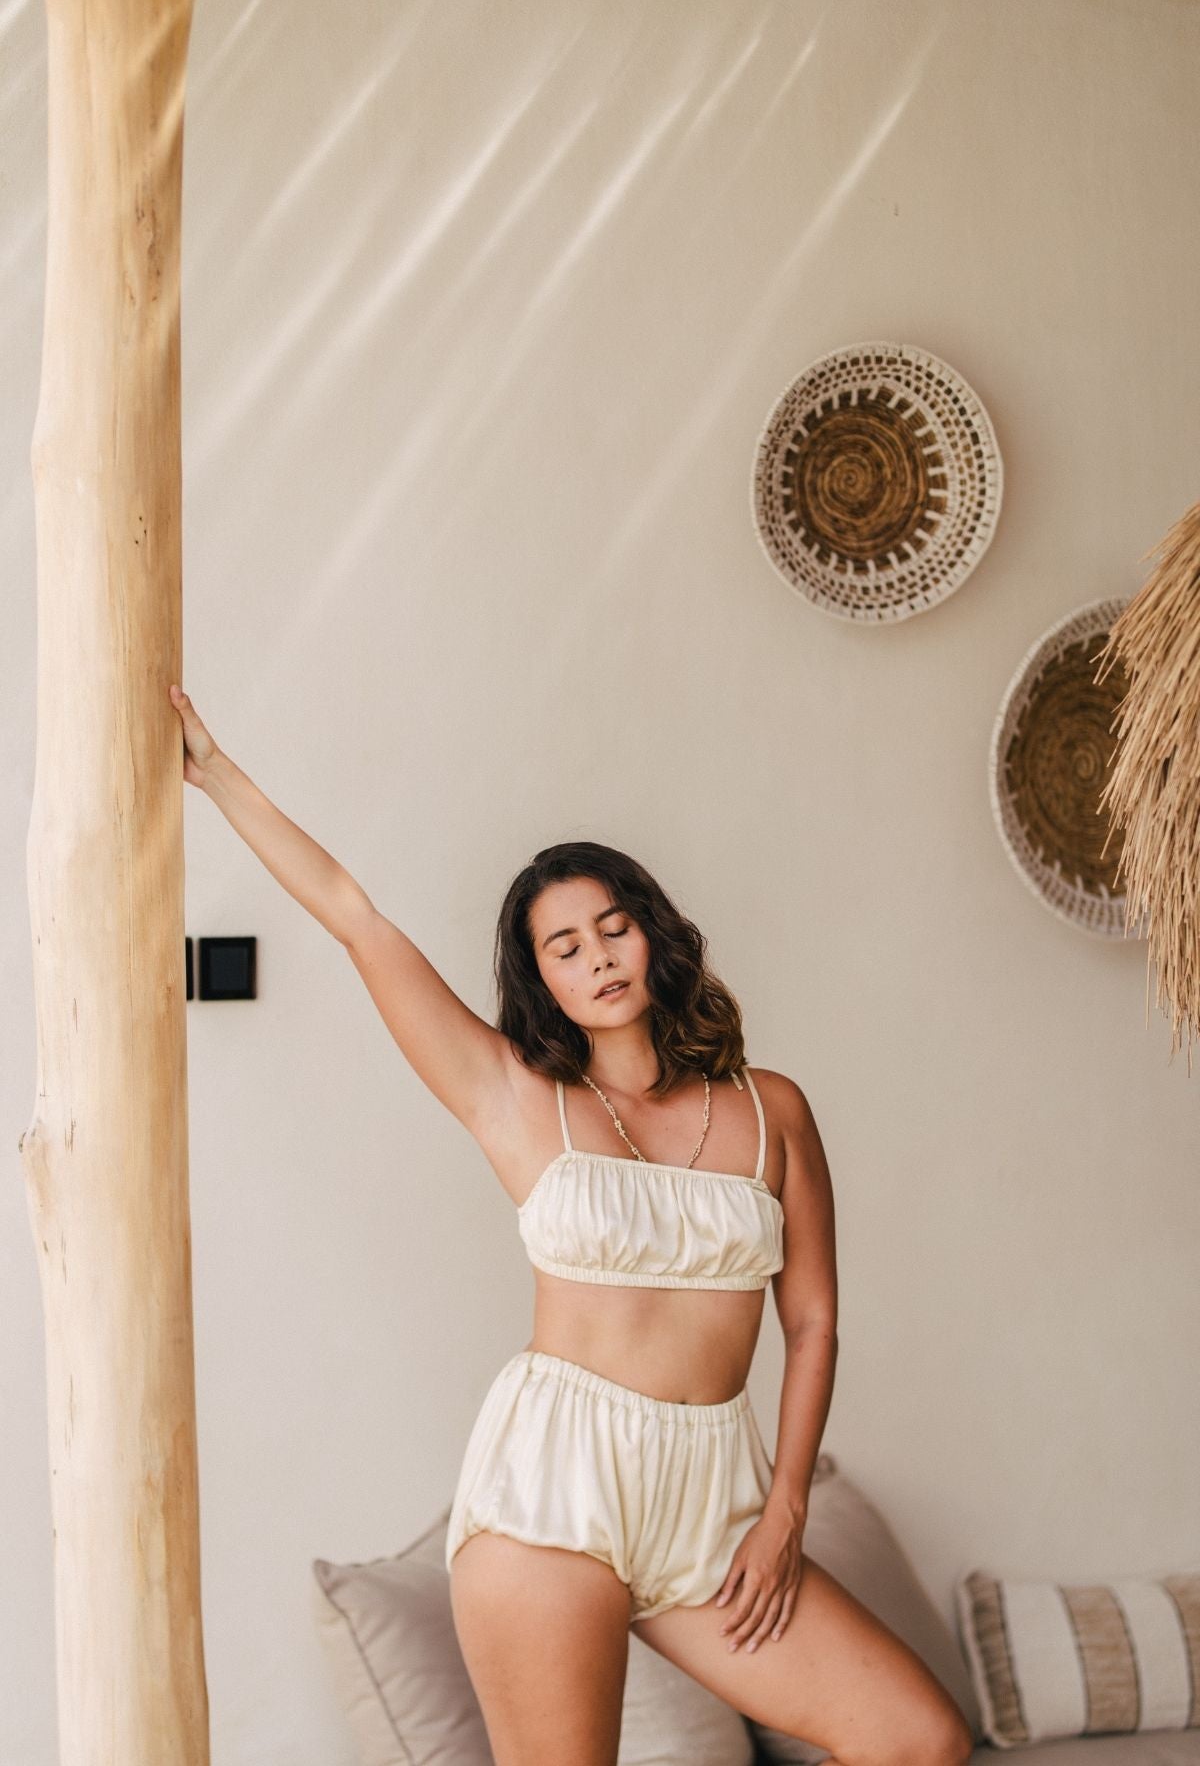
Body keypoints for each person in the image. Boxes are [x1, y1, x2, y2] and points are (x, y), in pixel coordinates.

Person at [170, 682, 973, 1766]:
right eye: (564, 946)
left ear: (653, 935)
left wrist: (785, 1511)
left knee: (917, 1738)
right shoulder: (516, 1099)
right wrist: (217, 773)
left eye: (613, 926)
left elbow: (816, 1322)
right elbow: (358, 919)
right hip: (553, 1492)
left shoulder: (769, 1110)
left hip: (715, 1503)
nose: (597, 955)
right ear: (539, 979)